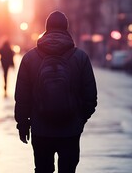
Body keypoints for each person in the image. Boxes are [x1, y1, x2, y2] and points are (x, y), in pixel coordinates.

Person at [14, 10, 98, 172]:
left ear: (46, 28)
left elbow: (22, 98)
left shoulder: (30, 58)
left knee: (43, 169)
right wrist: (79, 119)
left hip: (41, 129)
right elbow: (90, 97)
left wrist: (23, 125)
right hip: (70, 130)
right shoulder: (80, 58)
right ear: (66, 29)